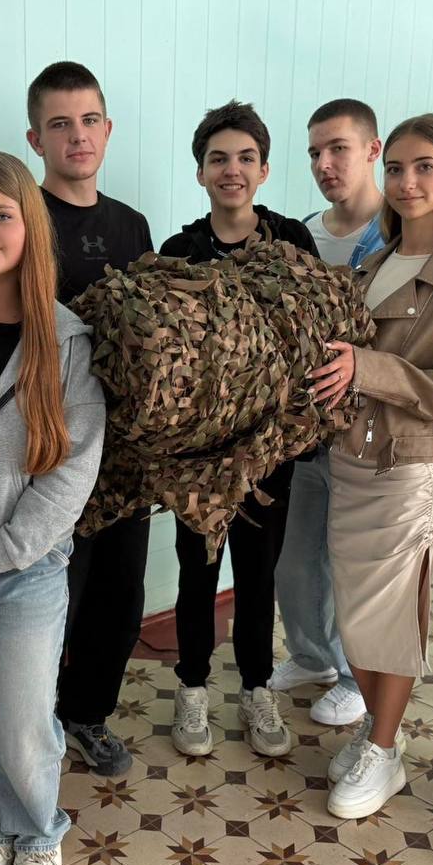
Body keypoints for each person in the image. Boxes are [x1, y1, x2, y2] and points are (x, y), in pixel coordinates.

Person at [308, 114, 433, 820]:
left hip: (410, 467)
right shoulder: (374, 259)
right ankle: (377, 731)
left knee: (391, 619)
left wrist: (369, 368)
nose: (407, 181)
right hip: (351, 458)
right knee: (355, 615)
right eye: (396, 168)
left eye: (425, 167)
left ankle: (384, 748)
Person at [0, 150, 105, 865]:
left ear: (29, 227)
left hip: (22, 570)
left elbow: (72, 470)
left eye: (1, 216)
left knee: (18, 721)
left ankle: (37, 831)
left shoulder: (67, 341)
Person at [159, 100, 316, 760]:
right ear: (200, 172)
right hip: (198, 456)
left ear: (264, 169)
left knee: (258, 573)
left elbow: (313, 338)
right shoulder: (179, 252)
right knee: (197, 572)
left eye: (245, 158)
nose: (232, 170)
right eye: (218, 159)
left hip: (271, 451)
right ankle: (192, 685)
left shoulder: (292, 242)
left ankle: (256, 687)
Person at [25, 61, 154, 777]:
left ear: (108, 129)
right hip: (51, 449)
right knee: (48, 600)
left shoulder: (131, 224)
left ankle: (87, 715)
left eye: (90, 120)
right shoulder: (21, 219)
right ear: (35, 139)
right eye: (60, 124)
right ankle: (28, 728)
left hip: (126, 456)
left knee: (118, 597)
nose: (78, 136)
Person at [271, 98, 388, 728]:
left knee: (353, 565)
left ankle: (352, 677)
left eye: (338, 148)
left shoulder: (398, 239)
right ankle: (312, 656)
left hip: (367, 435)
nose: (324, 163)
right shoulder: (302, 236)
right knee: (295, 560)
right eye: (315, 152)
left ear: (372, 150)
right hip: (304, 433)